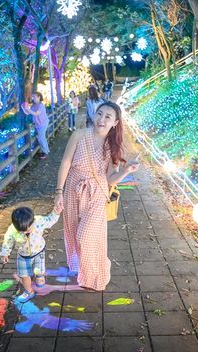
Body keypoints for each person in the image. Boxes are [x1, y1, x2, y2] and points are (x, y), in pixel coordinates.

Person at [54, 101, 140, 291]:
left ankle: (97, 274)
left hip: (96, 193)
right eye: (99, 114)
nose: (101, 119)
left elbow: (111, 179)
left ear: (115, 122)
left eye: (107, 117)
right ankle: (83, 270)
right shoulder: (79, 135)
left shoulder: (112, 146)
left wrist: (126, 170)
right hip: (72, 190)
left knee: (86, 236)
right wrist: (58, 192)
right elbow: (66, 164)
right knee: (74, 234)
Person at [0, 206, 61, 302]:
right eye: (22, 231)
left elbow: (50, 220)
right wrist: (5, 254)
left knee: (39, 270)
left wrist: (56, 212)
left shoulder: (39, 221)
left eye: (29, 228)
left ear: (33, 221)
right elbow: (7, 241)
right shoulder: (12, 230)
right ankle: (29, 291)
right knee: (24, 275)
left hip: (38, 252)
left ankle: (40, 276)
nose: (26, 231)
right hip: (23, 256)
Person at [21, 92, 50, 159]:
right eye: (32, 97)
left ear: (39, 97)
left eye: (34, 97)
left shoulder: (41, 106)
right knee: (41, 138)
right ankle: (46, 151)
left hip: (43, 123)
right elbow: (27, 113)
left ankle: (45, 152)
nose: (33, 98)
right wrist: (24, 108)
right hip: (38, 124)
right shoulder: (33, 105)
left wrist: (28, 109)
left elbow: (36, 114)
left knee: (41, 138)